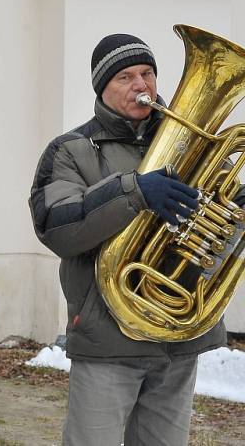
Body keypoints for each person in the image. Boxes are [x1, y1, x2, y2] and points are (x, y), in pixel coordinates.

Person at [28, 34, 235, 446]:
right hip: (109, 340)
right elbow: (56, 225)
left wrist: (236, 207)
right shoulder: (71, 150)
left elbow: (225, 220)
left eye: (147, 74)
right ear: (101, 87)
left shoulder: (197, 144)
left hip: (177, 338)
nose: (141, 85)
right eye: (125, 76)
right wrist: (133, 192)